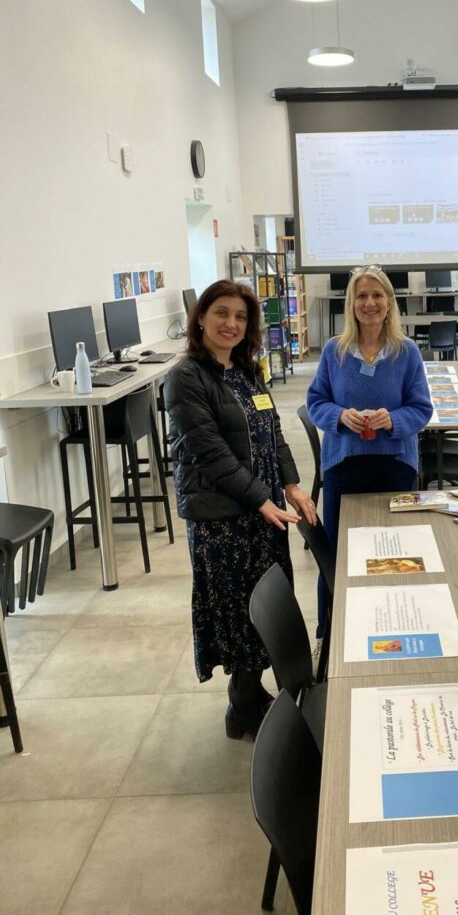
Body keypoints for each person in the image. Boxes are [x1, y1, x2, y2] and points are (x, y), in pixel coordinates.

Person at [165, 279, 315, 740]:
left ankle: (250, 696)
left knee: (264, 607)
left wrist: (291, 484)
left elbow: (273, 432)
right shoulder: (186, 377)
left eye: (241, 316)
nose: (231, 324)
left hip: (263, 508)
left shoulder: (249, 370)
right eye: (221, 313)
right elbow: (210, 453)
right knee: (237, 610)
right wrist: (261, 499)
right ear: (201, 318)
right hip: (223, 518)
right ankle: (242, 707)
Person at [307, 265, 432, 643]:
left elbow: (421, 409)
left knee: (394, 556)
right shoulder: (335, 351)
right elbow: (316, 402)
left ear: (390, 302)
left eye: (377, 295)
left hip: (395, 466)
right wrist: (339, 416)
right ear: (351, 303)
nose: (369, 303)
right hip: (344, 466)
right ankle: (329, 636)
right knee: (337, 556)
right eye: (361, 295)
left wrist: (393, 420)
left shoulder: (407, 352)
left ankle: (390, 626)